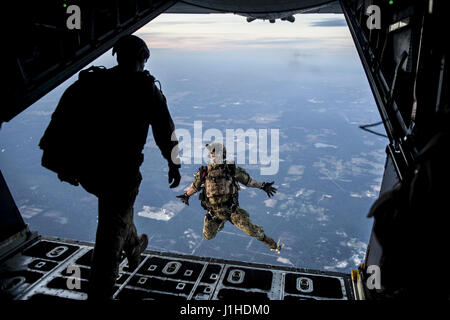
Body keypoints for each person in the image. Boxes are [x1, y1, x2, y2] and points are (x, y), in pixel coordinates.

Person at [39, 35, 181, 300]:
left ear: (117, 55)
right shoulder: (146, 90)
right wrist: (174, 165)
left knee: (116, 215)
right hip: (121, 176)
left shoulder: (92, 83)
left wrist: (59, 160)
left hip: (89, 172)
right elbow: (166, 131)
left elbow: (61, 119)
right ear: (142, 58)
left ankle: (135, 246)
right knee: (108, 241)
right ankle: (100, 293)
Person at [176, 142, 283, 252]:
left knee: (251, 231)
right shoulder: (204, 171)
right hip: (214, 213)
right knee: (208, 236)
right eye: (211, 153)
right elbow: (195, 186)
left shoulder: (231, 169)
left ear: (221, 154)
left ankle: (271, 243)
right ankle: (220, 222)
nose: (212, 155)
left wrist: (263, 186)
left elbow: (248, 181)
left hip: (231, 210)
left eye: (214, 152)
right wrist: (186, 195)